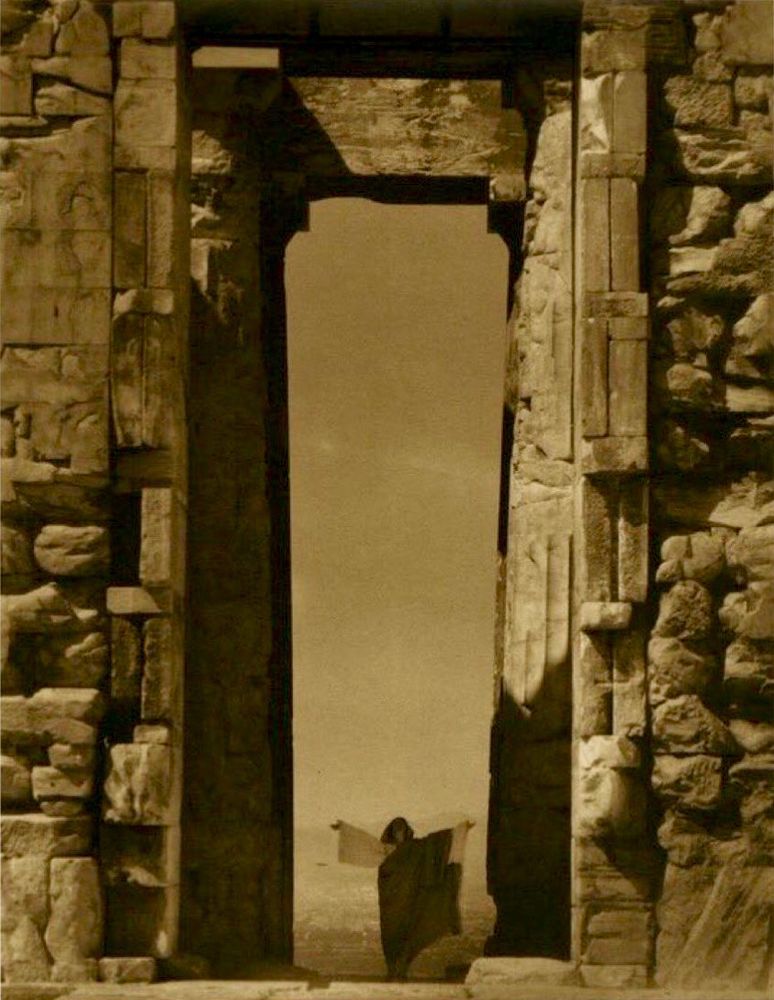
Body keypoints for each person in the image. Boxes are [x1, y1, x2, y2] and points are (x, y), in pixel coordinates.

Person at [331, 816, 475, 981]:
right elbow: (362, 841)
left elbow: (439, 842)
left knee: (408, 935)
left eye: (402, 829)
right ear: (391, 832)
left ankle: (400, 971)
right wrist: (343, 828)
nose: (399, 832)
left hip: (410, 903)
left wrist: (462, 829)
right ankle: (393, 971)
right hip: (390, 904)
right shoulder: (385, 849)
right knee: (391, 937)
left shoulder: (417, 848)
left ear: (406, 831)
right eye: (396, 829)